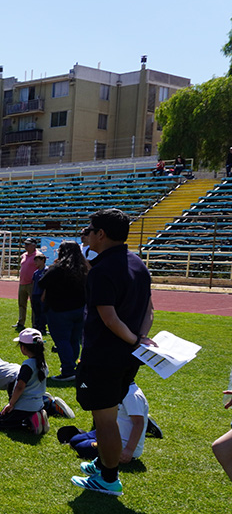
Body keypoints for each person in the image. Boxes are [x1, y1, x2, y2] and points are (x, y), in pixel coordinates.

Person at [71, 208, 154, 497]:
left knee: (105, 420)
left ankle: (109, 478)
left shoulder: (103, 270)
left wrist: (133, 341)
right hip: (127, 359)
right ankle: (102, 464)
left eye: (90, 230)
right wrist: (139, 340)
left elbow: (109, 318)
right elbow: (149, 310)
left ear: (101, 234)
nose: (87, 235)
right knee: (108, 413)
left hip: (104, 357)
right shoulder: (137, 263)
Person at [63, 382, 150, 464]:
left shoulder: (132, 395)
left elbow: (138, 424)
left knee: (81, 448)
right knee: (74, 440)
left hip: (122, 444)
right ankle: (95, 438)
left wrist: (129, 450)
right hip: (111, 433)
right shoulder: (117, 388)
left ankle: (97, 441)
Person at [39, 242, 88, 382]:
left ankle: (68, 369)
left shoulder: (58, 268)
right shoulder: (84, 268)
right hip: (79, 309)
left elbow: (42, 282)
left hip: (59, 310)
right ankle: (71, 366)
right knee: (73, 340)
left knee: (62, 340)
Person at [0, 328, 50, 434]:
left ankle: (30, 422)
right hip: (38, 404)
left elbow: (20, 387)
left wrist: (11, 404)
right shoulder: (43, 364)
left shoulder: (28, 365)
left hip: (24, 406)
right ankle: (38, 416)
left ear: (23, 348)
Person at [16, 238, 39, 332]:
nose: (25, 246)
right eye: (25, 244)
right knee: (21, 304)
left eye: (28, 244)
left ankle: (35, 323)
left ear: (34, 245)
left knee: (34, 305)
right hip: (22, 283)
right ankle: (21, 322)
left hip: (32, 284)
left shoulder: (38, 255)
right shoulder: (23, 255)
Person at [29, 253, 47, 334]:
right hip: (35, 294)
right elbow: (33, 283)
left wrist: (44, 294)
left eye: (37, 261)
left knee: (42, 312)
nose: (35, 263)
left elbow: (47, 285)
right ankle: (36, 326)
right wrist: (32, 294)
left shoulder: (46, 271)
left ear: (43, 260)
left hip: (41, 294)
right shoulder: (36, 272)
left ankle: (42, 327)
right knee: (36, 311)